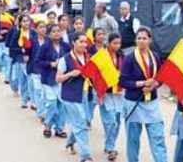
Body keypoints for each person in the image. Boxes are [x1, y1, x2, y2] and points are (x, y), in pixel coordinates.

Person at [119, 27, 167, 162]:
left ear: (150, 40)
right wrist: (141, 84)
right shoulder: (129, 58)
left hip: (152, 104)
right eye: (139, 38)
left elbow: (161, 77)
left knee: (158, 137)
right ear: (135, 40)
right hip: (134, 103)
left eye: (144, 38)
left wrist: (154, 85)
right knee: (133, 140)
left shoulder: (155, 56)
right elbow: (122, 81)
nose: (141, 41)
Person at [56, 32, 94, 162]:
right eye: (81, 42)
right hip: (70, 95)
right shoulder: (65, 59)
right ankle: (85, 155)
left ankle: (70, 142)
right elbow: (58, 78)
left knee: (84, 121)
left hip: (86, 94)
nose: (84, 44)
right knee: (81, 123)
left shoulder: (89, 57)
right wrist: (71, 74)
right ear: (73, 42)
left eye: (85, 42)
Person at [36, 24, 71, 138]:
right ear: (49, 34)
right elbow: (38, 61)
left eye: (58, 31)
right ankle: (47, 124)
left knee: (62, 105)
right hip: (48, 79)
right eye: (54, 31)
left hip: (62, 79)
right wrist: (50, 64)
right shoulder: (45, 47)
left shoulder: (66, 46)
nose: (56, 33)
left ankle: (59, 129)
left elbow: (71, 59)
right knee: (51, 104)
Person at [99, 33, 124, 161]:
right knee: (111, 122)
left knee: (117, 121)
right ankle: (111, 147)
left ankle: (110, 145)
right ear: (108, 43)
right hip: (105, 93)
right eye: (114, 43)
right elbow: (95, 76)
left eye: (119, 43)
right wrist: (99, 93)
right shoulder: (102, 56)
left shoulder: (121, 55)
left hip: (119, 93)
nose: (117, 46)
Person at [9, 14, 33, 108]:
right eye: (24, 21)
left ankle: (31, 97)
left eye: (27, 21)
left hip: (31, 59)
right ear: (20, 23)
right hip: (20, 59)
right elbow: (12, 47)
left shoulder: (33, 33)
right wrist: (21, 50)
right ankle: (24, 100)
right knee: (23, 80)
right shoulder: (17, 33)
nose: (26, 23)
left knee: (31, 80)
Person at [27, 21, 48, 121]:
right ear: (36, 29)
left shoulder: (49, 40)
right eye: (40, 27)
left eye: (44, 27)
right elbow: (28, 54)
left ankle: (44, 110)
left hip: (46, 70)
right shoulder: (32, 40)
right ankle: (41, 113)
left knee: (45, 93)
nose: (43, 29)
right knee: (38, 91)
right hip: (35, 69)